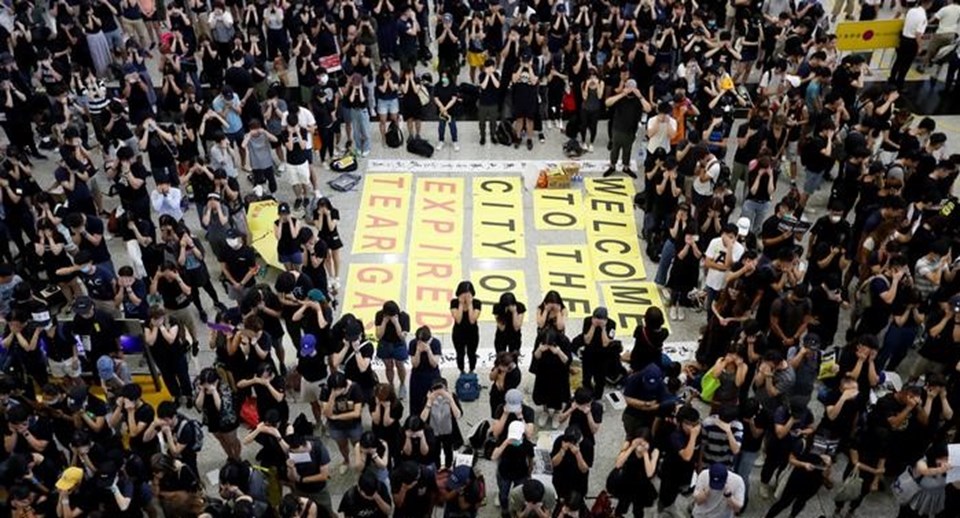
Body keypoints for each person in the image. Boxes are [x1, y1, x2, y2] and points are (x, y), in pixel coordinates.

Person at [375, 300, 411, 399]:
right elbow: (378, 335)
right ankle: (391, 384)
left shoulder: (404, 317)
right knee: (388, 366)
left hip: (398, 344)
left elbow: (402, 337)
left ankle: (402, 384)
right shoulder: (379, 315)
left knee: (400, 365)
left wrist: (396, 323)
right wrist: (384, 322)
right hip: (385, 344)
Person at [450, 281, 481, 373]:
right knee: (460, 354)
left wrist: (470, 304)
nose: (466, 296)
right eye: (464, 293)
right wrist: (460, 304)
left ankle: (472, 370)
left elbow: (472, 320)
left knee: (472, 353)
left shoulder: (477, 303)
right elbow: (458, 320)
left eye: (468, 293)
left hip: (472, 333)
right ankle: (461, 370)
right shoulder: (454, 302)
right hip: (458, 333)